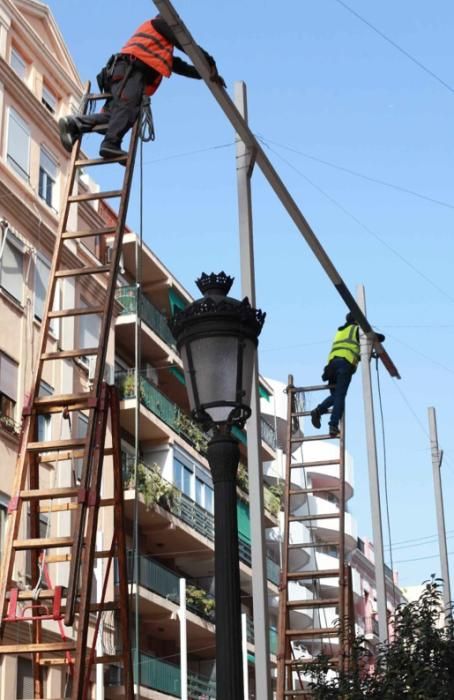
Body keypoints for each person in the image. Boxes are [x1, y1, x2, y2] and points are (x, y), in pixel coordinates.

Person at [58, 15, 225, 159]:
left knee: (116, 117)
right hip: (130, 72)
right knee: (128, 109)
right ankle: (110, 144)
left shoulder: (160, 44)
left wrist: (204, 74)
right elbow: (185, 43)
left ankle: (74, 123)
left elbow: (179, 66)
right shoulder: (159, 24)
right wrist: (209, 61)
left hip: (121, 73)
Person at [310, 312, 385, 437]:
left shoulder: (340, 331)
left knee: (336, 396)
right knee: (340, 396)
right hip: (344, 365)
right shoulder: (357, 330)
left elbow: (350, 347)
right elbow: (377, 337)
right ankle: (333, 425)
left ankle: (318, 411)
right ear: (357, 321)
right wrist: (377, 336)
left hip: (331, 366)